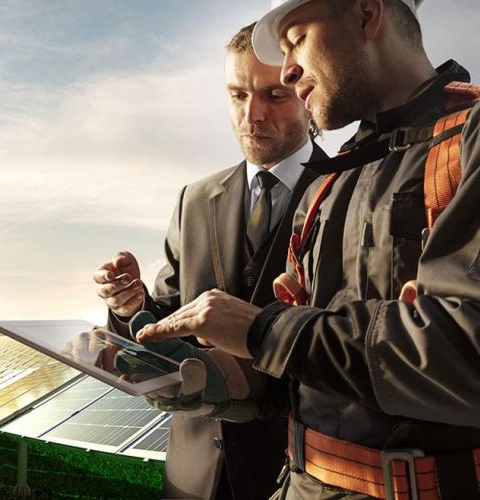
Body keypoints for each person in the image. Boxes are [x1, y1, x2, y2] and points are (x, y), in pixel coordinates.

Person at [138, 1, 480, 498]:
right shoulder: (325, 188)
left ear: (366, 15)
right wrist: (219, 380)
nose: (289, 73)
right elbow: (306, 376)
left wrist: (262, 328)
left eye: (297, 41)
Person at [93, 22, 326, 500]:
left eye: (273, 96)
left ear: (307, 93)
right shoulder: (194, 199)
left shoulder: (349, 188)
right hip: (195, 474)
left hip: (301, 473)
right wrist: (128, 305)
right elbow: (165, 319)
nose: (251, 114)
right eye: (237, 95)